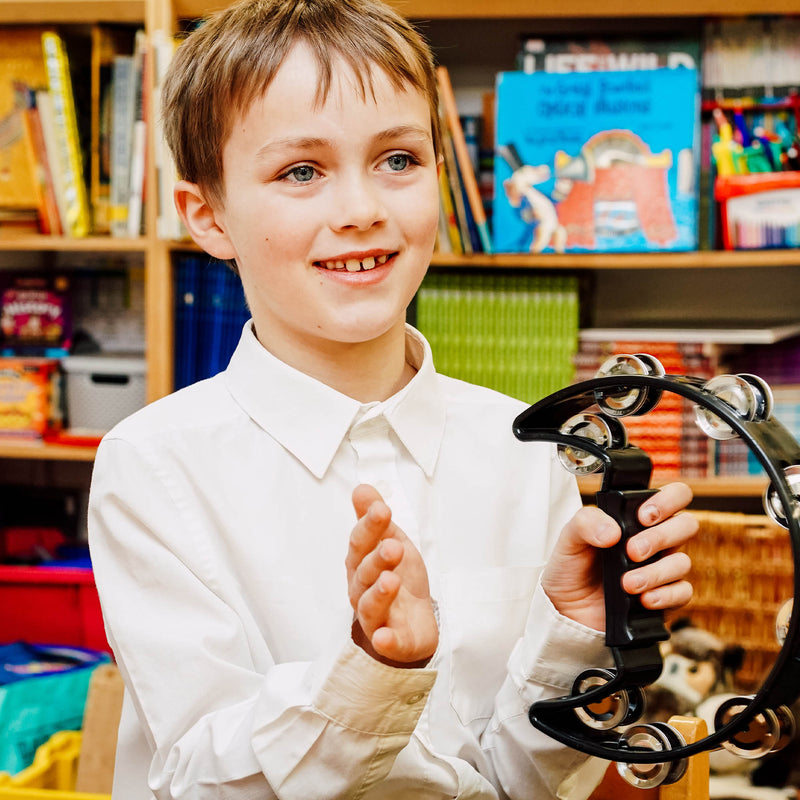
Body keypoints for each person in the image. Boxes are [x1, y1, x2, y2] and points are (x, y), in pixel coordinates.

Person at [87, 0, 698, 797]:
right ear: (208, 217)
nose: (361, 210)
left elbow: (524, 781)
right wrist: (373, 674)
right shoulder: (154, 467)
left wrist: (576, 627)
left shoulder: (522, 449)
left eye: (398, 160)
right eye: (300, 172)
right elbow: (195, 781)